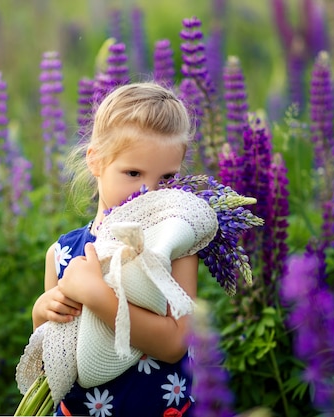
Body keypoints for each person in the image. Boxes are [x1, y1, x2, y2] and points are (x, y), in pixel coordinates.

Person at [31, 82, 199, 416]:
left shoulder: (175, 246)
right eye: (133, 172)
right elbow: (55, 358)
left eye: (166, 178)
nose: (148, 191)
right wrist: (41, 312)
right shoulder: (63, 252)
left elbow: (173, 344)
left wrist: (98, 295)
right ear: (95, 161)